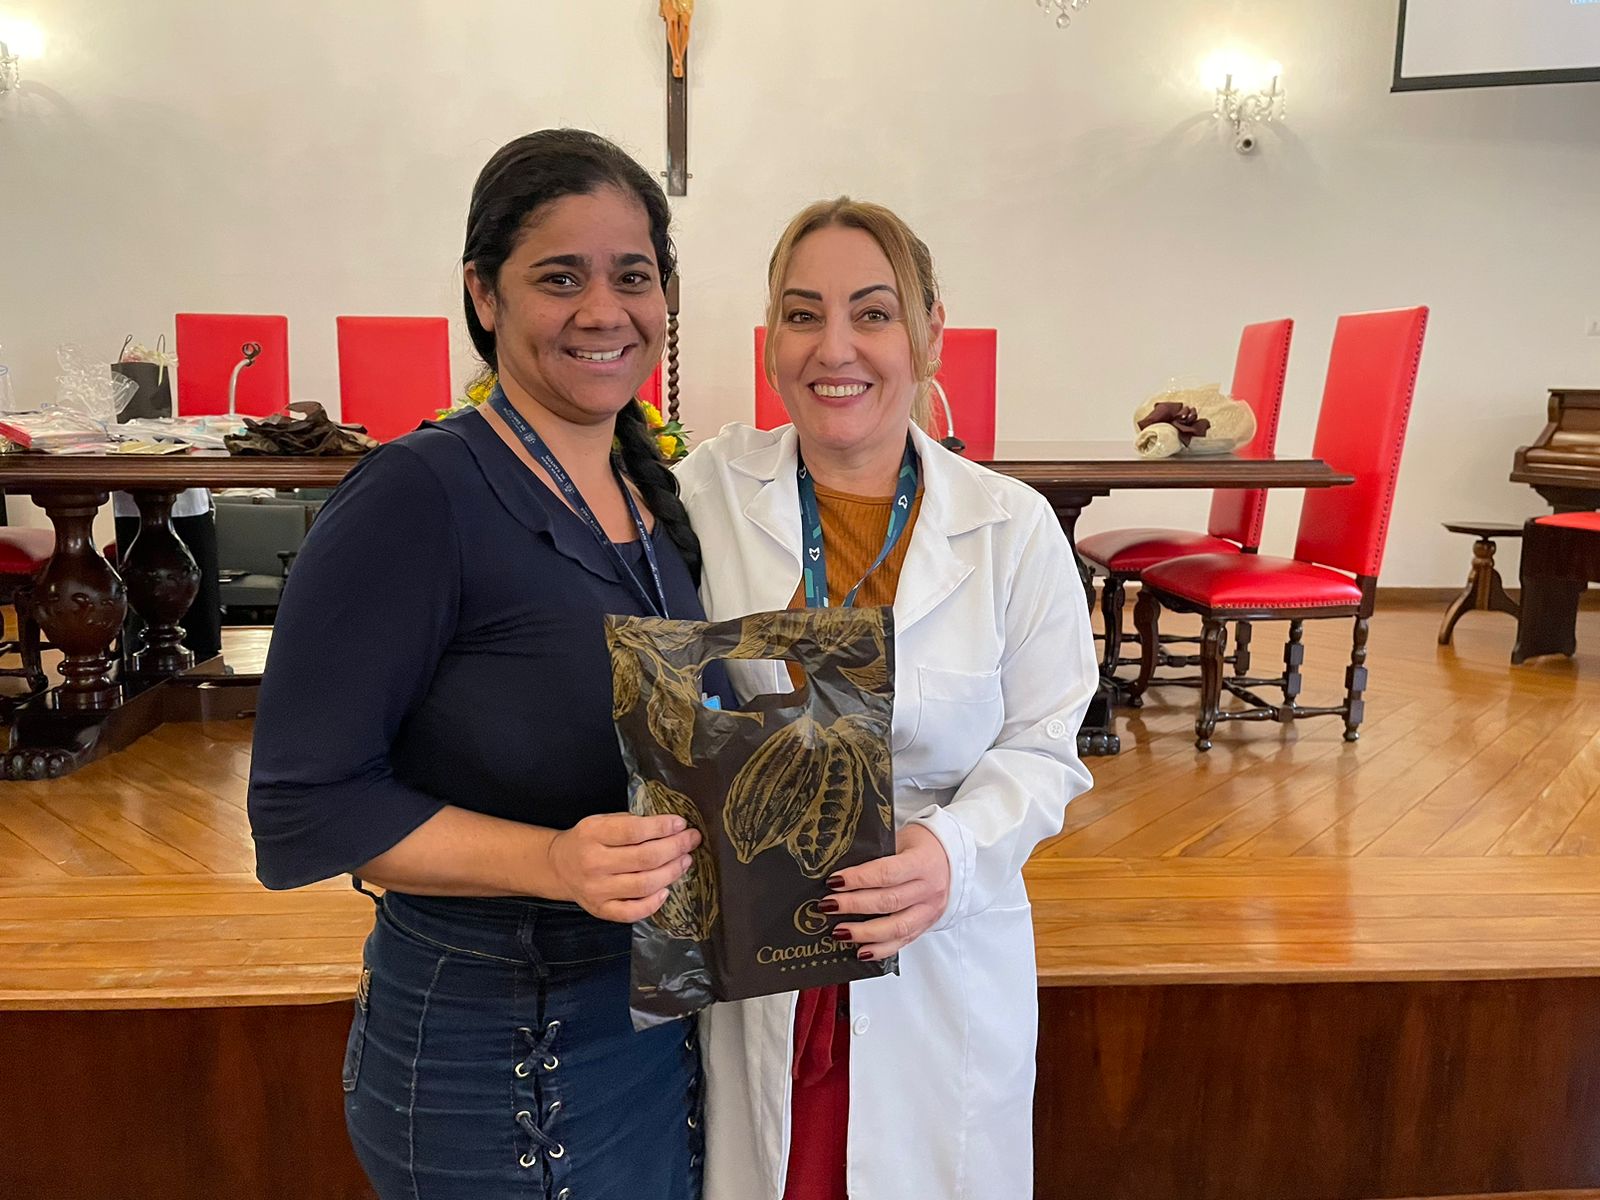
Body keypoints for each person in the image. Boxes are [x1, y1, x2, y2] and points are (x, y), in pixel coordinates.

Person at [247, 128, 715, 1200]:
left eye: (632, 276)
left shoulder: (654, 496)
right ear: (483, 294)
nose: (604, 311)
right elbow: (306, 805)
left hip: (649, 1038)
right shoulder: (418, 494)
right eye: (560, 277)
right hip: (494, 1062)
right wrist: (551, 861)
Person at [675, 198, 1097, 1200]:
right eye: (802, 314)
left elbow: (1044, 748)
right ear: (770, 338)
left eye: (872, 312)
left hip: (938, 948)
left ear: (928, 332)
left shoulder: (1011, 528)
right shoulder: (703, 499)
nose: (835, 348)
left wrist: (951, 854)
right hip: (759, 944)